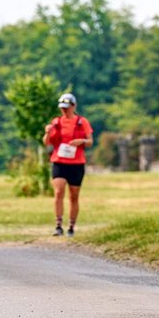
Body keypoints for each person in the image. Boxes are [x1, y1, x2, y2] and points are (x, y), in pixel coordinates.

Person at [42, 92, 94, 237]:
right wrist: (47, 132)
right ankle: (58, 225)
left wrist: (81, 141)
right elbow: (47, 142)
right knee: (58, 192)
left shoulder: (82, 122)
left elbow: (90, 141)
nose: (64, 110)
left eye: (67, 107)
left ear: (74, 106)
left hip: (76, 163)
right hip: (59, 161)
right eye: (62, 107)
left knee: (74, 196)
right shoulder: (56, 122)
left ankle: (71, 226)